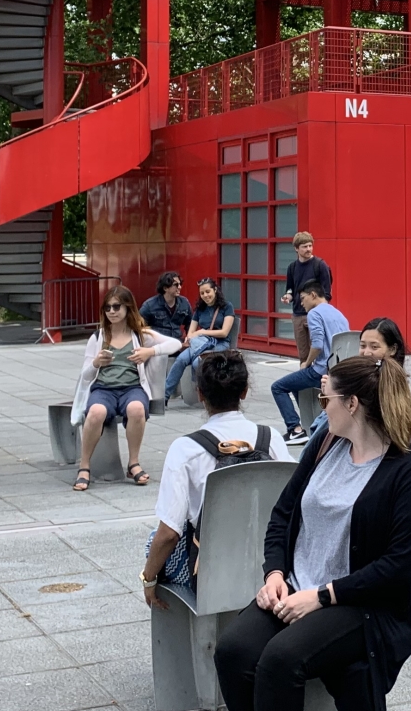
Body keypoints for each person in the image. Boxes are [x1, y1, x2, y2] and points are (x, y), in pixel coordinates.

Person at [214, 355, 411, 711]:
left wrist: (322, 596)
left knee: (280, 660)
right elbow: (283, 514)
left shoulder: (410, 473)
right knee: (232, 651)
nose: (321, 409)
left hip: (360, 604)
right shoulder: (326, 446)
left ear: (352, 404)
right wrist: (273, 574)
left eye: (325, 399)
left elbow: (399, 565)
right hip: (298, 587)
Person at [141, 350, 293, 598]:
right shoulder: (272, 439)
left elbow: (169, 533)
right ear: (244, 392)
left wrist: (148, 579)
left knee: (153, 540)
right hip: (271, 563)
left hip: (208, 574)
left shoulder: (185, 449)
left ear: (200, 394)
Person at [70, 286, 181, 491]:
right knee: (95, 412)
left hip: (132, 388)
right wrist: (96, 363)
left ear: (127, 307)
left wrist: (150, 351)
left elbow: (175, 344)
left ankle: (133, 463)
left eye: (116, 306)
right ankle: (84, 466)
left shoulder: (140, 334)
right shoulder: (98, 337)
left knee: (137, 408)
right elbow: (85, 375)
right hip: (103, 388)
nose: (112, 311)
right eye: (107, 307)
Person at [270, 281, 350, 446]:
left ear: (313, 295)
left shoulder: (314, 313)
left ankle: (295, 430)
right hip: (339, 369)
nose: (301, 303)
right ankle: (311, 421)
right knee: (297, 384)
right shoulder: (339, 314)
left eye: (303, 298)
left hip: (321, 370)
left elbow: (318, 344)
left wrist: (307, 363)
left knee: (278, 387)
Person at [162, 278, 238, 404]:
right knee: (181, 360)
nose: (205, 296)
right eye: (202, 293)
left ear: (215, 290)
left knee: (199, 362)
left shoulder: (226, 306)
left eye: (208, 291)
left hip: (220, 343)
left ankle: (206, 395)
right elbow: (191, 332)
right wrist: (190, 337)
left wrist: (202, 331)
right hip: (202, 343)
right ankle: (164, 396)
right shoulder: (200, 309)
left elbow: (224, 332)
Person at [280, 232, 332, 368]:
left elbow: (327, 293)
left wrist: (322, 312)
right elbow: (290, 289)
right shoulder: (292, 267)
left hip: (316, 314)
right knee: (303, 355)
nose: (308, 249)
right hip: (298, 314)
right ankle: (305, 385)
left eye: (310, 246)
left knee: (319, 350)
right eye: (304, 246)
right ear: (296, 249)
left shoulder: (320, 265)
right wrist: (287, 297)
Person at [141, 271, 194, 344]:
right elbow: (139, 326)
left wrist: (189, 338)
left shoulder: (184, 302)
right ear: (165, 288)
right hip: (157, 346)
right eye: (176, 285)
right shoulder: (149, 305)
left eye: (180, 284)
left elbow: (190, 323)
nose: (180, 287)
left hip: (177, 344)